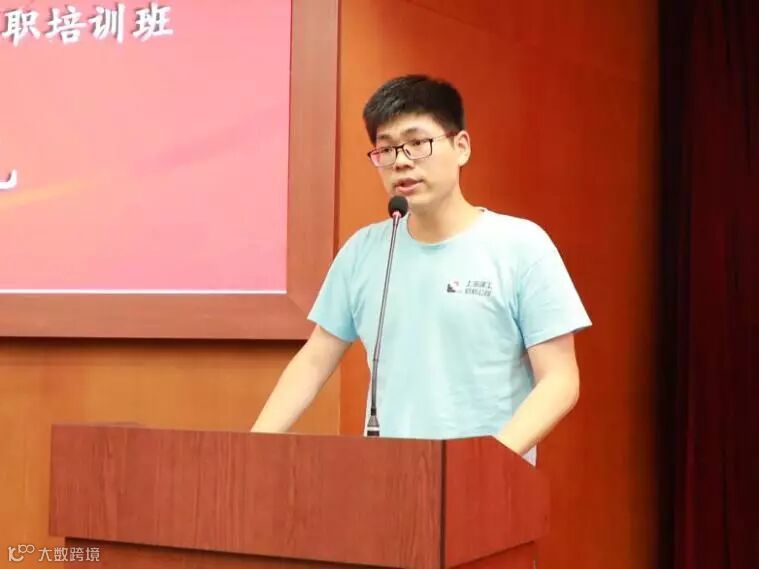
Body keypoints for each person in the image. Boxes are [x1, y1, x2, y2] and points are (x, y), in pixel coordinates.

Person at [251, 74, 591, 464]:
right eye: (386, 149)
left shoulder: (521, 246)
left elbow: (560, 380)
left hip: (487, 481)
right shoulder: (364, 251)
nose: (401, 161)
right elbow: (314, 361)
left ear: (461, 147)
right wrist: (252, 447)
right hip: (389, 480)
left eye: (417, 143)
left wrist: (488, 461)